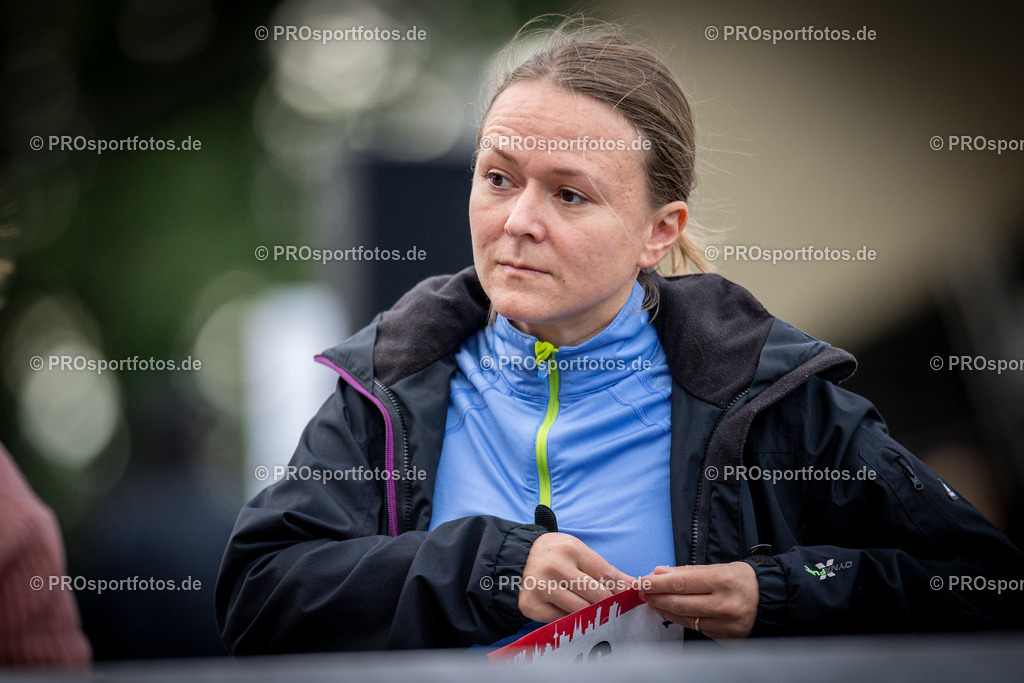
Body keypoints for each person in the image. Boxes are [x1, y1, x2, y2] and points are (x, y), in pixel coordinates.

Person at [216, 18, 1024, 653]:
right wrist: (485, 569)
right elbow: (259, 594)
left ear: (656, 230)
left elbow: (986, 583)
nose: (519, 222)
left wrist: (782, 592)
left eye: (569, 195)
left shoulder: (772, 396)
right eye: (498, 178)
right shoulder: (387, 382)